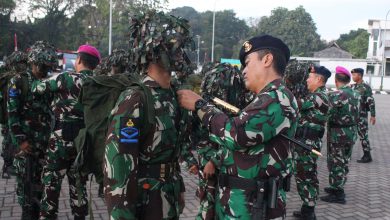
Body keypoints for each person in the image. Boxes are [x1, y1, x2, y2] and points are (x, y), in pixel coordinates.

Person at [178, 35, 298, 219]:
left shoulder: (278, 98)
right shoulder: (265, 98)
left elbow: (236, 135)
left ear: (267, 60)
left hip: (252, 206)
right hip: (241, 201)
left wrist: (200, 106)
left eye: (248, 63)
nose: (243, 70)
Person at [103, 10, 195, 219]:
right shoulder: (135, 98)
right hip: (144, 200)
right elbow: (119, 164)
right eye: (173, 46)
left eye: (181, 45)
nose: (180, 52)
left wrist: (178, 187)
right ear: (153, 50)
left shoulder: (174, 94)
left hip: (167, 195)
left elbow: (170, 152)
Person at [31, 44, 100, 220]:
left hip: (60, 141)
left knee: (51, 183)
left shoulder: (66, 78)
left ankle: (48, 215)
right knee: (78, 184)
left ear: (78, 60)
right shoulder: (99, 83)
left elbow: (37, 88)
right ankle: (79, 216)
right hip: (84, 142)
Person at [7, 41, 56, 220]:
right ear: (34, 62)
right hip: (26, 147)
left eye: (48, 68)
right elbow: (12, 114)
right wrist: (21, 141)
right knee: (27, 193)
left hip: (44, 145)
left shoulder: (47, 82)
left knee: (42, 189)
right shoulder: (19, 81)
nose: (45, 71)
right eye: (42, 67)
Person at [292, 65, 331, 219]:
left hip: (306, 144)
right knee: (307, 175)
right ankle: (307, 208)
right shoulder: (317, 95)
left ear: (319, 79)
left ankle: (309, 210)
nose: (307, 80)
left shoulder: (317, 97)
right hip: (306, 142)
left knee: (305, 175)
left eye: (310, 77)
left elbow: (295, 105)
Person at [321, 66, 359, 204]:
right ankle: (337, 185)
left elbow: (327, 113)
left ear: (336, 80)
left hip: (338, 133)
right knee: (344, 160)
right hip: (351, 132)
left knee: (336, 161)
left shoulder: (337, 95)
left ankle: (338, 193)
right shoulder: (356, 94)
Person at [0, 51, 28, 178]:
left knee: (12, 139)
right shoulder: (7, 77)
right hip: (7, 114)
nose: (23, 66)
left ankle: (11, 164)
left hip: (14, 113)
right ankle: (7, 166)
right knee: (8, 140)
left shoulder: (18, 77)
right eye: (21, 63)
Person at [351, 68, 376, 163]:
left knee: (363, 136)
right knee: (350, 135)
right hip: (352, 116)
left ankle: (367, 155)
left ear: (360, 76)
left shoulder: (366, 88)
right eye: (352, 75)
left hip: (361, 116)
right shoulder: (352, 87)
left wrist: (373, 115)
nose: (353, 77)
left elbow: (371, 101)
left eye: (354, 75)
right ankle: (346, 154)